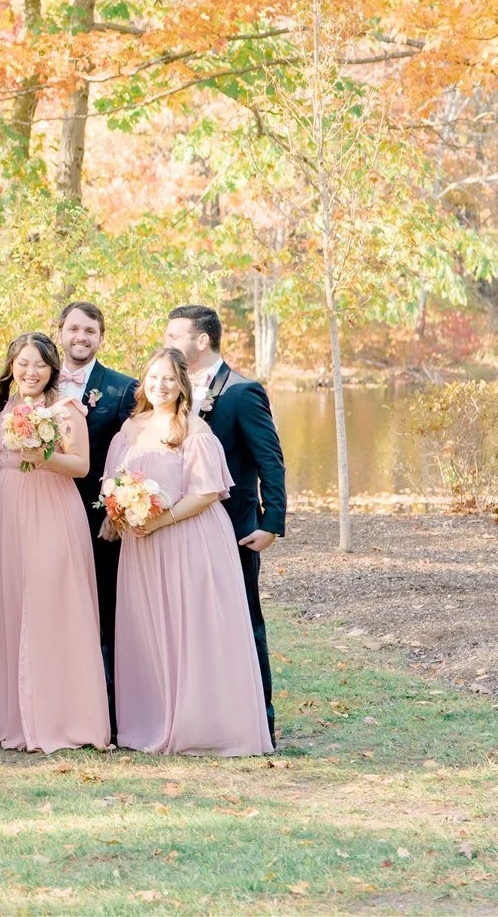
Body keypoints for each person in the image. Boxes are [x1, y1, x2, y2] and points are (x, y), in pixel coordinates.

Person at [102, 348, 273, 756]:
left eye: (169, 379)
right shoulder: (130, 428)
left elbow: (206, 493)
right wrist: (119, 511)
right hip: (142, 546)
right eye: (153, 377)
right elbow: (112, 480)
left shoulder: (193, 430)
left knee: (190, 628)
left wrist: (157, 521)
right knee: (149, 628)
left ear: (182, 385)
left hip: (188, 538)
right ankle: (154, 719)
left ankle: (202, 725)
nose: (160, 385)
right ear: (143, 381)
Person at [0, 332, 110, 753]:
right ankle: (11, 717)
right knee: (11, 605)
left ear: (52, 368)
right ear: (12, 365)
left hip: (52, 507)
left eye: (39, 364)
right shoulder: (4, 409)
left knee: (54, 604)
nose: (30, 372)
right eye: (22, 363)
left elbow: (82, 465)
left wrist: (43, 455)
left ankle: (62, 718)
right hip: (9, 509)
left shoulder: (65, 410)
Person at [162, 304, 287, 738]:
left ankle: (259, 722)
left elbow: (269, 460)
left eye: (175, 335)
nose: (167, 343)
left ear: (201, 341)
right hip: (176, 528)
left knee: (243, 621)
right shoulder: (168, 389)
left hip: (233, 528)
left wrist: (272, 523)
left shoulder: (240, 391)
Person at [55, 300, 139, 707]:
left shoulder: (122, 387)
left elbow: (129, 456)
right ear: (60, 333)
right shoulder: (39, 382)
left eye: (89, 330)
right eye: (73, 329)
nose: (81, 337)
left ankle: (109, 706)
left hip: (97, 517)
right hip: (47, 514)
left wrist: (114, 511)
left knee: (105, 607)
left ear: (101, 337)